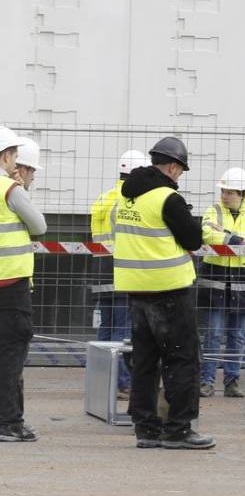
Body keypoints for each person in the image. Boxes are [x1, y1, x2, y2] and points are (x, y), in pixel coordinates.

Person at [114, 137, 212, 450]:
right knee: (182, 359)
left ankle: (145, 429)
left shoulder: (125, 196)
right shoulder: (166, 198)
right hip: (169, 289)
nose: (179, 177)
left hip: (136, 289)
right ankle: (179, 430)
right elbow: (193, 239)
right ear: (172, 167)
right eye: (180, 171)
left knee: (144, 361)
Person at [197, 167, 245, 399]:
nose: (224, 195)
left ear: (242, 193)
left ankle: (232, 381)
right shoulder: (213, 210)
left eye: (230, 192)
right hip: (216, 279)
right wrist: (236, 238)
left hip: (244, 281)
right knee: (213, 333)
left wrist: (225, 234)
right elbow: (207, 234)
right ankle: (206, 381)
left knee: (236, 334)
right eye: (224, 191)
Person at [90, 150, 150, 400]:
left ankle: (101, 381)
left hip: (101, 270)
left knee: (106, 328)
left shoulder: (104, 197)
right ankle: (122, 382)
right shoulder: (127, 200)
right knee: (121, 330)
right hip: (121, 269)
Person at [0, 130, 46, 442]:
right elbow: (39, 226)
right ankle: (8, 423)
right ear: (5, 156)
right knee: (11, 355)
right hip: (10, 285)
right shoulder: (10, 188)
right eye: (14, 156)